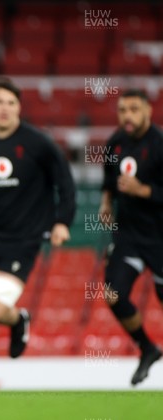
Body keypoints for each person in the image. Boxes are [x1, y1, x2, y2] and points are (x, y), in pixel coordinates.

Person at [0, 78, 76, 391]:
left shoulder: (39, 144)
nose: (4, 108)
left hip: (24, 240)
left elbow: (64, 182)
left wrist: (63, 221)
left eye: (11, 103)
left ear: (19, 107)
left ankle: (18, 319)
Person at [99, 89, 163, 386]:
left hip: (160, 237)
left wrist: (144, 191)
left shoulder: (160, 144)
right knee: (113, 293)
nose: (127, 115)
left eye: (134, 109)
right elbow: (109, 182)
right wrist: (105, 203)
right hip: (128, 236)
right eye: (123, 109)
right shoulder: (115, 143)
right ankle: (147, 348)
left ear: (148, 111)